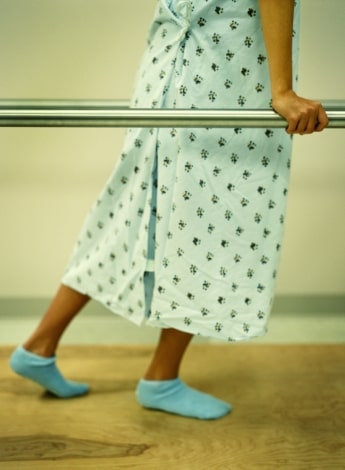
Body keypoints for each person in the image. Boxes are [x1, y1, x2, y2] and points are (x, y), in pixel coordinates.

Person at [9, 0, 328, 420]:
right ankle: (160, 378)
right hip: (219, 73)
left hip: (174, 65)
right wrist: (282, 90)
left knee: (137, 211)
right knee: (212, 220)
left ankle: (41, 347)